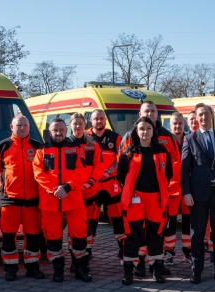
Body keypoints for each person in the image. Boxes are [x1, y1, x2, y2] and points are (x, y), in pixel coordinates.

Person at [119, 101, 180, 277]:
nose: (145, 132)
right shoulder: (128, 152)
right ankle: (129, 271)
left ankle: (157, 269)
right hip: (134, 200)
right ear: (136, 131)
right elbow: (121, 175)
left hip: (155, 199)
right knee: (133, 235)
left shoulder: (162, 151)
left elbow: (168, 173)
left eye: (148, 129)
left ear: (153, 131)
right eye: (142, 129)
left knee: (156, 234)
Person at [182, 103, 215, 284]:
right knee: (197, 233)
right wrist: (186, 192)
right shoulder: (190, 139)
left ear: (212, 115)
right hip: (198, 194)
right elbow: (184, 169)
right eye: (200, 115)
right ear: (196, 118)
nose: (204, 118)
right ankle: (196, 271)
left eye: (206, 114)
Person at [33, 118, 92, 282]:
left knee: (79, 234)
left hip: (73, 198)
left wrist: (67, 187)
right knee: (53, 237)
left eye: (61, 130)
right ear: (50, 131)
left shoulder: (76, 148)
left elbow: (82, 172)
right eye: (55, 130)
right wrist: (55, 190)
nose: (58, 133)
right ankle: (58, 271)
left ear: (66, 131)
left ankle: (80, 269)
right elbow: (38, 174)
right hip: (50, 201)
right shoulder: (41, 150)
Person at [0, 114, 45, 281]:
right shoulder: (3, 146)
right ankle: (10, 269)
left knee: (33, 235)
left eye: (25, 125)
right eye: (18, 125)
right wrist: (4, 186)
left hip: (33, 199)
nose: (22, 128)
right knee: (8, 234)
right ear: (11, 127)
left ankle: (32, 267)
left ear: (29, 127)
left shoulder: (37, 146)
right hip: (9, 198)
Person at [86, 109, 126, 262]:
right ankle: (87, 249)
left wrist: (109, 171)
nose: (99, 121)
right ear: (92, 120)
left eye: (102, 118)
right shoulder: (86, 137)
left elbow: (121, 159)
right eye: (96, 118)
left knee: (117, 217)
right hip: (93, 184)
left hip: (111, 184)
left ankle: (123, 247)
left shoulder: (115, 137)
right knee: (91, 219)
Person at [69, 113, 104, 269]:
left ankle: (85, 255)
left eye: (80, 124)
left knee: (88, 226)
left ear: (85, 125)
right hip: (72, 192)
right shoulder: (66, 145)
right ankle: (75, 260)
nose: (78, 127)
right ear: (70, 125)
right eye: (75, 123)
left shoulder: (93, 145)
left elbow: (98, 167)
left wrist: (90, 182)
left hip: (89, 191)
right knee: (74, 228)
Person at [165, 112, 192, 263]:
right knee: (170, 223)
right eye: (175, 123)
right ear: (170, 125)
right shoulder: (164, 141)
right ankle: (168, 252)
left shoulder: (190, 139)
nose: (178, 126)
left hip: (188, 188)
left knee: (188, 222)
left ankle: (188, 251)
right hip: (171, 189)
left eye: (180, 123)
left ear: (184, 124)